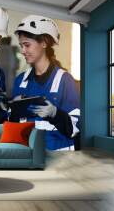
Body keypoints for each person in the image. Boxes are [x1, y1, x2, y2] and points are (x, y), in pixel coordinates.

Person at [12, 15, 80, 151]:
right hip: (29, 154)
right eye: (21, 46)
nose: (23, 51)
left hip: (59, 157)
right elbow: (13, 125)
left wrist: (55, 114)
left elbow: (76, 128)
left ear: (43, 43)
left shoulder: (65, 80)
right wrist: (14, 110)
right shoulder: (20, 81)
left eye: (27, 45)